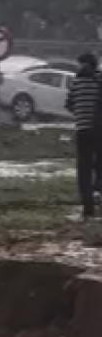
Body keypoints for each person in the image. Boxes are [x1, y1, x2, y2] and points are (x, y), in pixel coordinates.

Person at [66, 52, 102, 217]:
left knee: (84, 167)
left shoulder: (76, 82)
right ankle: (98, 190)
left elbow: (69, 104)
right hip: (99, 129)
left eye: (79, 63)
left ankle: (88, 205)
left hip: (82, 129)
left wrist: (81, 113)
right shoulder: (99, 79)